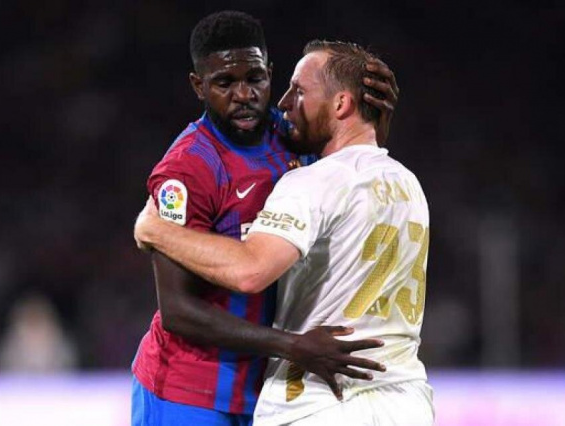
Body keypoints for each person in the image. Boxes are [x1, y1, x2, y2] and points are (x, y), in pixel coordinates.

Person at [135, 40, 433, 425]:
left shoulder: (308, 178)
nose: (284, 103)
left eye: (297, 91)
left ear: (341, 104)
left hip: (315, 398)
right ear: (199, 85)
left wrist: (155, 230)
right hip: (402, 397)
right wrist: (370, 117)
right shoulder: (407, 183)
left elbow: (250, 270)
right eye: (225, 82)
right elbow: (176, 310)